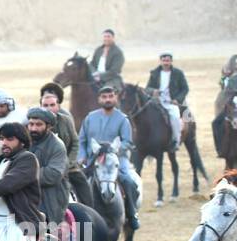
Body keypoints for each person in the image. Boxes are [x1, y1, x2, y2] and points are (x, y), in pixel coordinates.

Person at [78, 85, 140, 229]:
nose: (108, 99)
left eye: (111, 96)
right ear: (99, 99)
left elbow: (128, 142)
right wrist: (81, 157)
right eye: (104, 97)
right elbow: (82, 140)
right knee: (77, 182)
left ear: (115, 98)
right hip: (93, 159)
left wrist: (114, 149)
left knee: (128, 181)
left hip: (116, 158)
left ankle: (131, 214)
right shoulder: (90, 118)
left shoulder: (122, 119)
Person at [146, 52, 188, 149]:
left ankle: (176, 141)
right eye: (164, 60)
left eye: (168, 61)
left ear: (171, 61)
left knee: (175, 118)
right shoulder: (154, 73)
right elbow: (147, 88)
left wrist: (177, 99)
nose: (166, 63)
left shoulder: (178, 73)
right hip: (156, 103)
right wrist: (153, 91)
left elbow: (185, 89)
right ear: (160, 61)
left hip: (171, 103)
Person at [39, 83, 79, 168]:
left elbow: (75, 143)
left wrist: (69, 162)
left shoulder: (66, 120)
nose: (49, 108)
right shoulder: (34, 123)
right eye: (45, 105)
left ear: (58, 105)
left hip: (66, 165)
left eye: (52, 105)